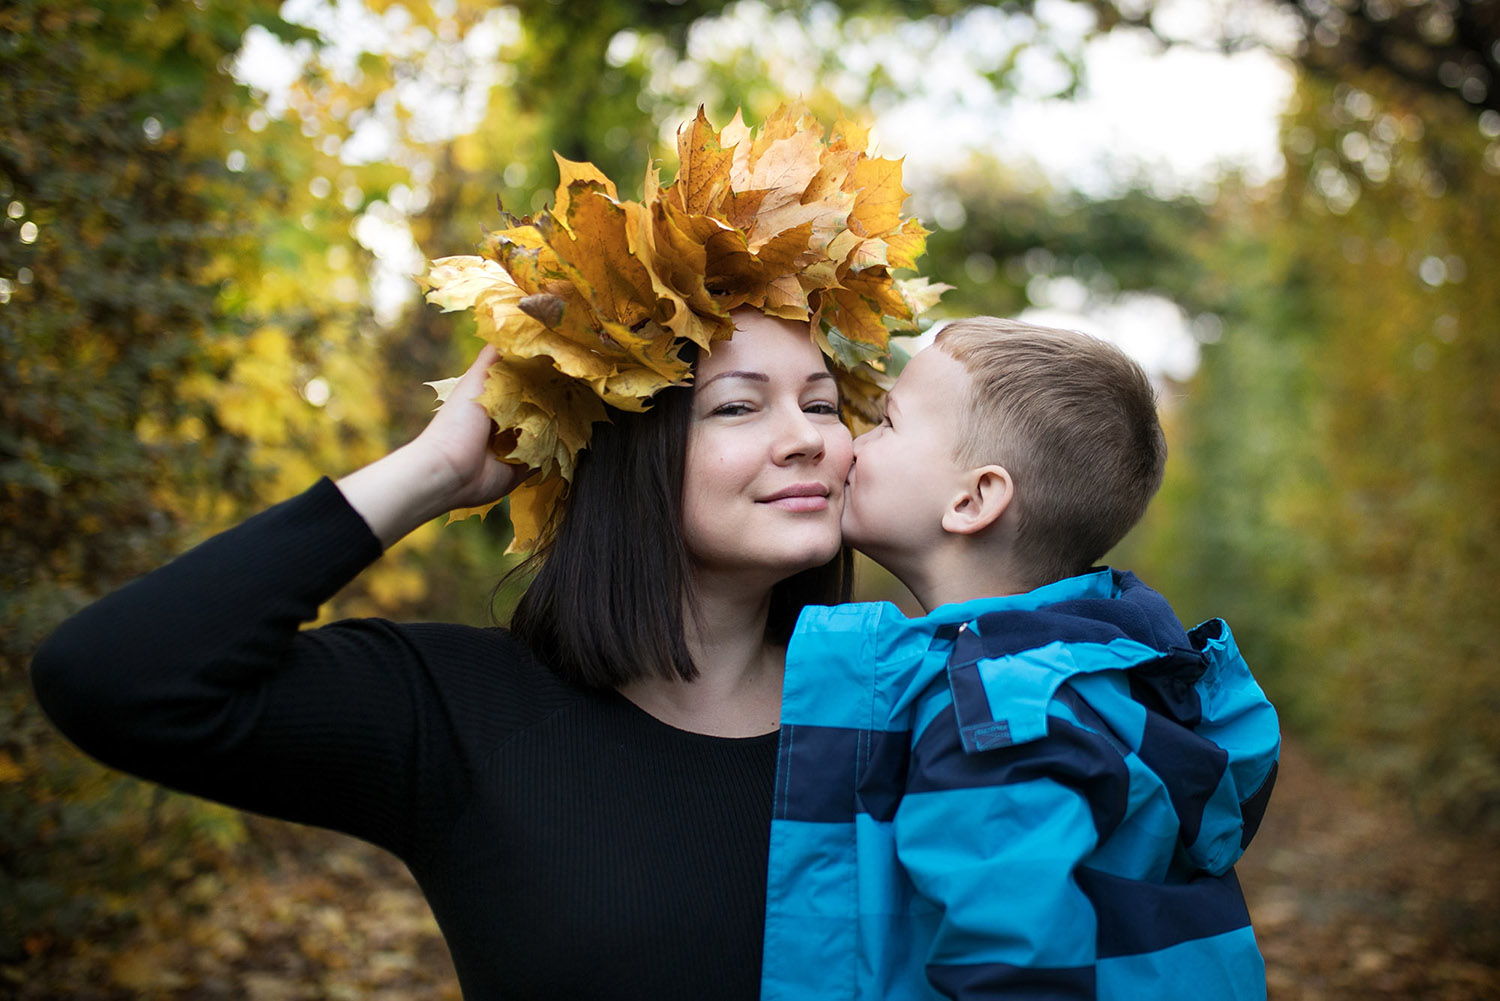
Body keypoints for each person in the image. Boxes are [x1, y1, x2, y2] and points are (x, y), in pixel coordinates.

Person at [29, 105, 943, 1001]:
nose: (809, 439)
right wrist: (434, 467)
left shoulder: (908, 707)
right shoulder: (463, 713)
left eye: (822, 404)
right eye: (739, 405)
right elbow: (112, 677)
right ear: (625, 452)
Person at [759, 317, 1282, 1000]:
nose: (852, 447)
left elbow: (1015, 972)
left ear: (973, 499)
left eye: (887, 424)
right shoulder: (1103, 680)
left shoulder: (1000, 720)